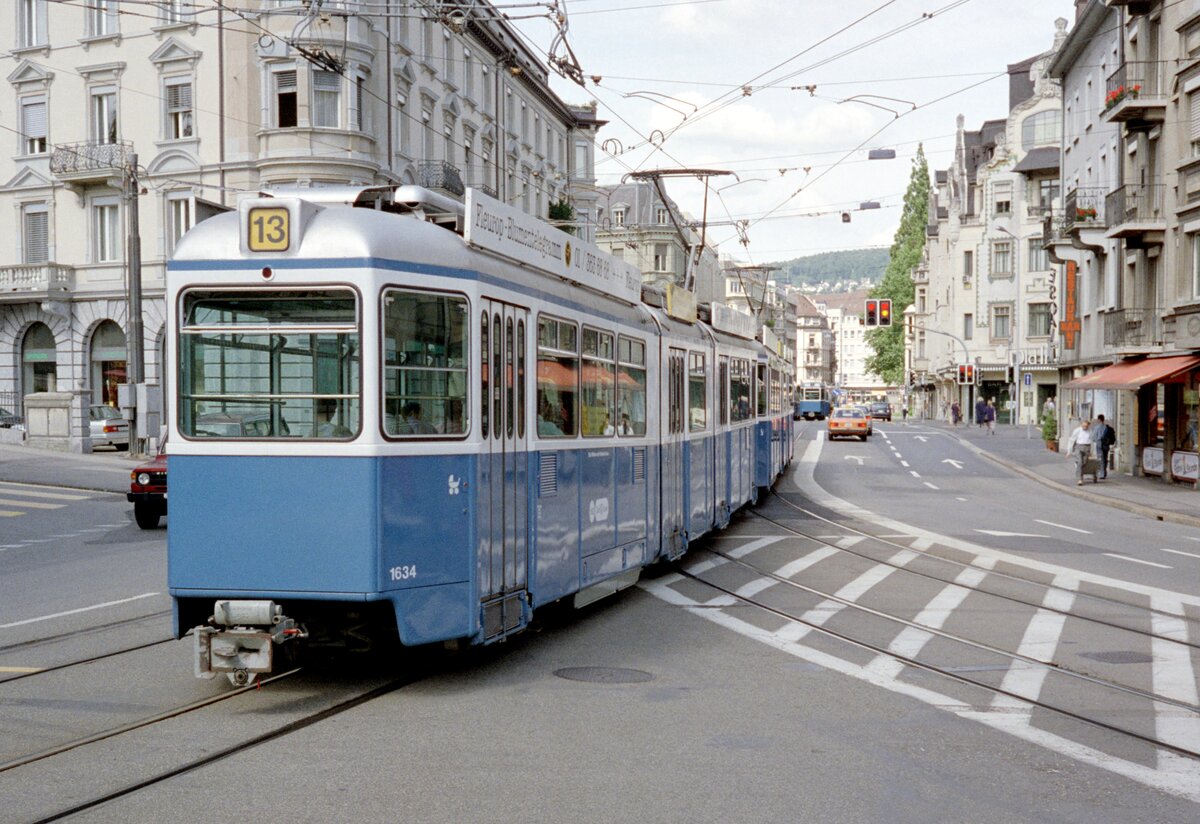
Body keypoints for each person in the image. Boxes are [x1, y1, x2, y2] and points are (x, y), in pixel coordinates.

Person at [1065, 418, 1096, 486]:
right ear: (1081, 425)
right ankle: (1080, 479)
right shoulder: (1077, 431)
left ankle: (1077, 465)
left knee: (1084, 462)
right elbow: (1071, 440)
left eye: (1086, 426)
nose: (1084, 427)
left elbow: (1092, 442)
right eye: (1083, 426)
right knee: (1080, 461)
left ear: (1088, 426)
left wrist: (1092, 451)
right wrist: (1069, 451)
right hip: (1079, 447)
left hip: (1087, 447)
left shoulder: (1090, 431)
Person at [1093, 413, 1116, 481]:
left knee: (1100, 458)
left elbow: (1094, 437)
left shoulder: (1097, 427)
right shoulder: (1107, 427)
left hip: (1099, 444)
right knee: (1105, 458)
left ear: (1099, 419)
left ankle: (1101, 474)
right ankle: (1104, 471)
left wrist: (1097, 440)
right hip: (1106, 445)